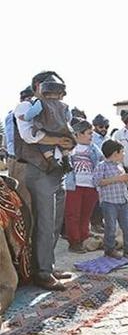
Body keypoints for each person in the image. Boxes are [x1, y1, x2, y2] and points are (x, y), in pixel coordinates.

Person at [15, 71, 76, 291]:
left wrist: (67, 143)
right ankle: (41, 273)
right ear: (37, 86)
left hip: (58, 169)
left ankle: (47, 266)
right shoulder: (25, 106)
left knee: (55, 223)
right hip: (40, 170)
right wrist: (60, 139)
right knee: (45, 223)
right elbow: (30, 136)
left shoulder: (59, 108)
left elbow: (68, 134)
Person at [92, 140, 128, 260]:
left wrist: (125, 180)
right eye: (122, 152)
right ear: (115, 153)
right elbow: (97, 182)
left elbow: (122, 182)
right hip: (109, 202)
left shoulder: (120, 166)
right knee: (111, 228)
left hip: (123, 201)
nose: (124, 154)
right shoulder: (102, 166)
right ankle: (109, 250)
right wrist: (118, 179)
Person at [21, 72, 75, 174]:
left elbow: (30, 115)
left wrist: (25, 117)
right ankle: (65, 160)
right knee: (62, 142)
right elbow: (68, 118)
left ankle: (52, 160)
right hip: (60, 130)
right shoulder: (64, 105)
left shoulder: (41, 102)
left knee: (44, 146)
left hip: (47, 129)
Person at [63, 120, 103, 253]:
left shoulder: (94, 148)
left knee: (86, 214)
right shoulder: (69, 148)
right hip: (74, 186)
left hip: (91, 185)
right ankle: (74, 242)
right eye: (89, 133)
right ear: (79, 134)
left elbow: (101, 162)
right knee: (73, 214)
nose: (91, 136)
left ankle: (84, 237)